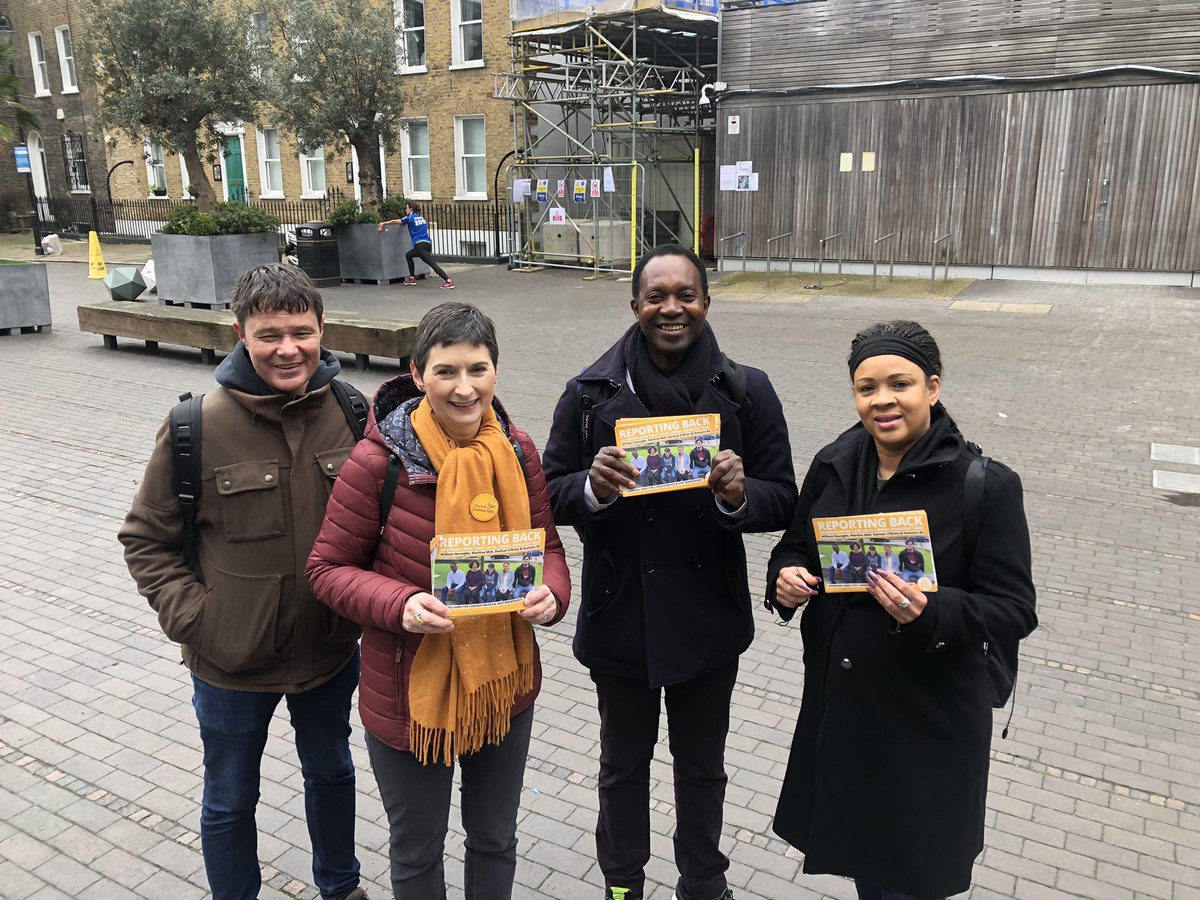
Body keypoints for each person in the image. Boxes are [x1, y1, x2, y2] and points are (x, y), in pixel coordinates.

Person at [542, 244, 797, 900]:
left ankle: (703, 883)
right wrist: (592, 488)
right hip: (620, 612)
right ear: (635, 307)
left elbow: (784, 495)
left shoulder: (747, 390)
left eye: (685, 294)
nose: (671, 307)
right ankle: (623, 884)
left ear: (706, 303)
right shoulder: (589, 394)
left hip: (706, 618)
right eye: (656, 296)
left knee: (702, 767)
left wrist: (739, 496)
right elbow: (548, 490)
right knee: (622, 766)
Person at [118, 264, 368, 900]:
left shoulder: (352, 414)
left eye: (302, 332)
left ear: (322, 330)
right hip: (229, 665)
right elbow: (146, 539)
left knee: (333, 776)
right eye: (269, 335)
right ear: (239, 334)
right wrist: (199, 620)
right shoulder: (194, 426)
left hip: (328, 652)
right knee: (229, 801)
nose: (289, 349)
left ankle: (341, 889)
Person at [305, 302, 571, 900]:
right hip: (409, 690)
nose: (464, 387)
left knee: (495, 839)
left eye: (477, 369)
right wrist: (398, 603)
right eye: (446, 371)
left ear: (495, 372)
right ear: (417, 374)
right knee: (418, 852)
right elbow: (325, 569)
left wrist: (552, 594)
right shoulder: (379, 461)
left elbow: (548, 548)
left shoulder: (520, 451)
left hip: (503, 684)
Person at [765, 319, 1038, 900]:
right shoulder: (835, 463)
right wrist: (784, 580)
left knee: (912, 880)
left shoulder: (983, 485)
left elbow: (1014, 610)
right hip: (847, 717)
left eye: (900, 384)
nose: (882, 400)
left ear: (932, 389)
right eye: (867, 388)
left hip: (928, 727)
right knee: (870, 871)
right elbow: (794, 545)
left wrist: (931, 611)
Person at [378, 203, 455, 289]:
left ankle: (448, 281)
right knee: (408, 255)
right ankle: (412, 278)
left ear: (410, 209)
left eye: (406, 208)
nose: (405, 210)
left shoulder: (410, 218)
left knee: (432, 264)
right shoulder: (421, 218)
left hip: (419, 246)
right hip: (427, 244)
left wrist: (384, 223)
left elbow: (394, 221)